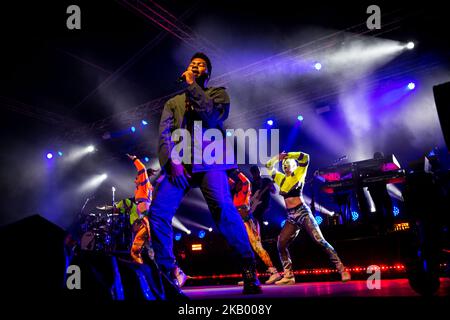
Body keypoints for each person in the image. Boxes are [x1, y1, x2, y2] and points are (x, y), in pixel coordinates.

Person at [147, 52, 261, 294]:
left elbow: (210, 115)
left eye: (200, 65)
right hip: (181, 164)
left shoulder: (218, 94)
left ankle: (249, 266)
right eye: (191, 64)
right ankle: (169, 271)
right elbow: (164, 135)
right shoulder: (173, 103)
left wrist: (191, 86)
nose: (195, 66)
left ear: (207, 72)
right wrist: (173, 162)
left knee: (223, 209)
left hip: (210, 159)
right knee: (158, 211)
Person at [266, 151, 351, 284]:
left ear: (294, 166)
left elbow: (306, 157)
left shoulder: (299, 173)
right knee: (281, 243)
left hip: (302, 212)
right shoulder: (281, 178)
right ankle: (288, 276)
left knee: (319, 240)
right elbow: (268, 165)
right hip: (291, 216)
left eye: (288, 163)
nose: (285, 165)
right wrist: (278, 158)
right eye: (284, 164)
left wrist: (289, 155)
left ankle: (342, 269)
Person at [228, 169, 282, 285]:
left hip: (249, 222)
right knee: (244, 249)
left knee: (257, 247)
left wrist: (237, 172)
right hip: (241, 224)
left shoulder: (245, 191)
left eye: (238, 183)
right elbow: (229, 182)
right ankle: (250, 275)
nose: (236, 184)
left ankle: (274, 272)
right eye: (235, 183)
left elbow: (246, 181)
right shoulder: (235, 195)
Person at [367, 151, 394, 234]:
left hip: (378, 188)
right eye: (380, 157)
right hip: (375, 189)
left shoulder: (381, 165)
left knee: (385, 207)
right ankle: (385, 228)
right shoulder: (373, 166)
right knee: (382, 207)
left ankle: (386, 228)